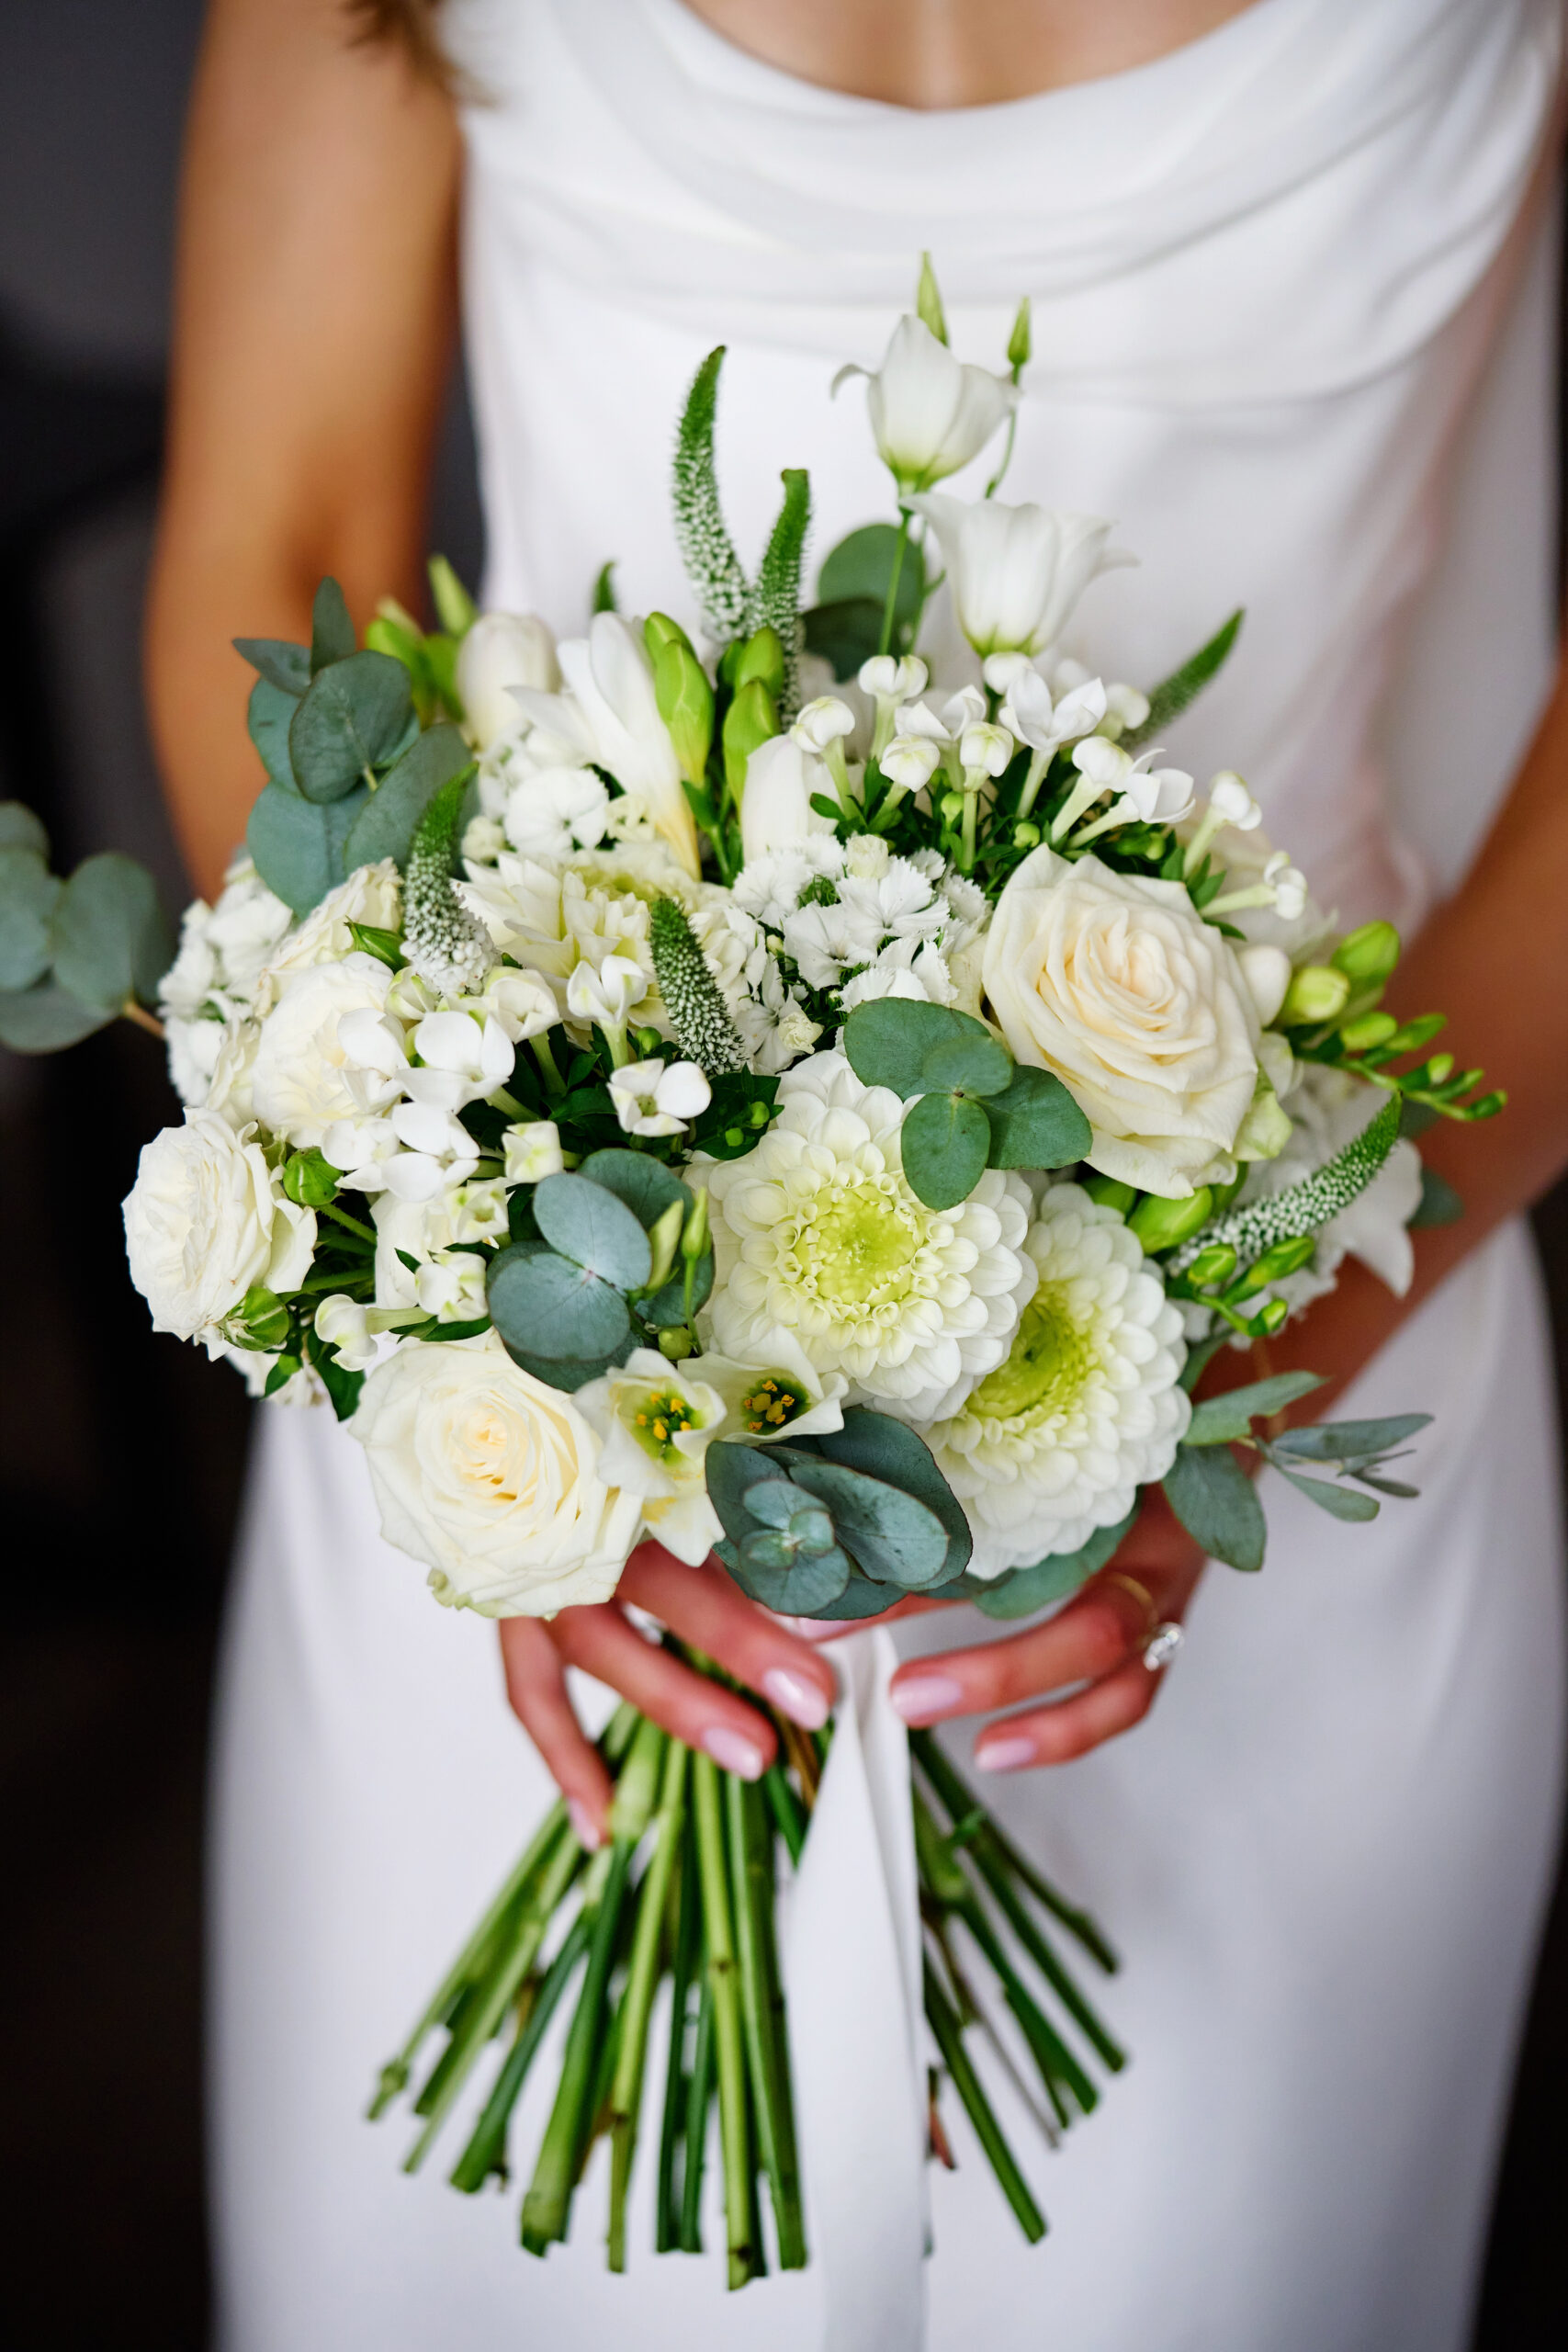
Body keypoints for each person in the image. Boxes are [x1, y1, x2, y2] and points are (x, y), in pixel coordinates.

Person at [147, 2, 1568, 2346]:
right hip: (521, 1450)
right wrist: (483, 1291)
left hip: (1317, 1354)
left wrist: (1217, 1361)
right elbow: (283, 537)